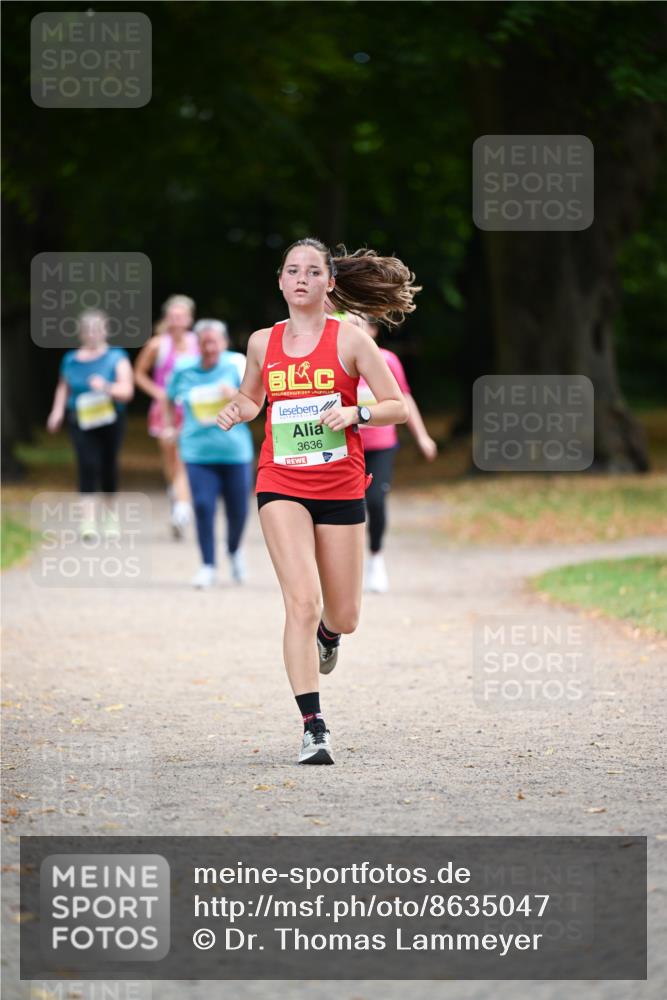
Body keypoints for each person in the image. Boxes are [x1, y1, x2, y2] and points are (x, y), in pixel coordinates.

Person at [217, 238, 419, 765]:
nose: (301, 278)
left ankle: (329, 635)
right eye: (292, 270)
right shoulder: (263, 341)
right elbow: (253, 396)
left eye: (312, 271)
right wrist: (236, 410)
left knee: (345, 615)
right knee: (301, 601)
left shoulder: (351, 341)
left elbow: (396, 405)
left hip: (342, 485)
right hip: (281, 480)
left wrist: (358, 415)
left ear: (329, 282)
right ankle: (313, 725)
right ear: (280, 282)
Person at [166, 320, 254, 588]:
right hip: (197, 451)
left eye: (214, 341)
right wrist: (171, 425)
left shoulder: (237, 364)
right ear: (198, 344)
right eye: (204, 342)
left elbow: (256, 400)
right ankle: (207, 565)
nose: (209, 347)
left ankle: (234, 551)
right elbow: (168, 397)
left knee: (238, 511)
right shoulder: (183, 368)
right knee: (203, 506)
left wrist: (236, 395)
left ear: (224, 343)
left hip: (235, 452)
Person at [354, 313, 437, 592]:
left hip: (380, 445)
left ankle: (376, 557)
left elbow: (404, 399)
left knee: (375, 501)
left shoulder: (387, 360)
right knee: (346, 507)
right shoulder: (337, 361)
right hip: (343, 447)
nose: (354, 328)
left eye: (360, 323)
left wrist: (422, 436)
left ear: (373, 330)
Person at [46, 309, 134, 538]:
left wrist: (105, 386)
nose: (93, 334)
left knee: (108, 466)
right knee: (87, 465)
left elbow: (127, 391)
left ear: (105, 331)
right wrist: (57, 412)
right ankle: (88, 522)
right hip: (81, 419)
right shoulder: (70, 359)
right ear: (81, 333)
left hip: (110, 418)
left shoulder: (117, 357)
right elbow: (63, 387)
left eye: (97, 329)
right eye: (88, 330)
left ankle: (110, 517)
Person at [133, 295, 199, 538]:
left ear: (189, 319)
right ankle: (176, 494)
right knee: (169, 458)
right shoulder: (157, 345)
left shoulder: (197, 343)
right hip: (164, 410)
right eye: (173, 316)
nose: (177, 321)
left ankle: (181, 510)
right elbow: (138, 374)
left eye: (181, 316)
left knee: (184, 457)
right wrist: (159, 393)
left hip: (191, 409)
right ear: (167, 319)